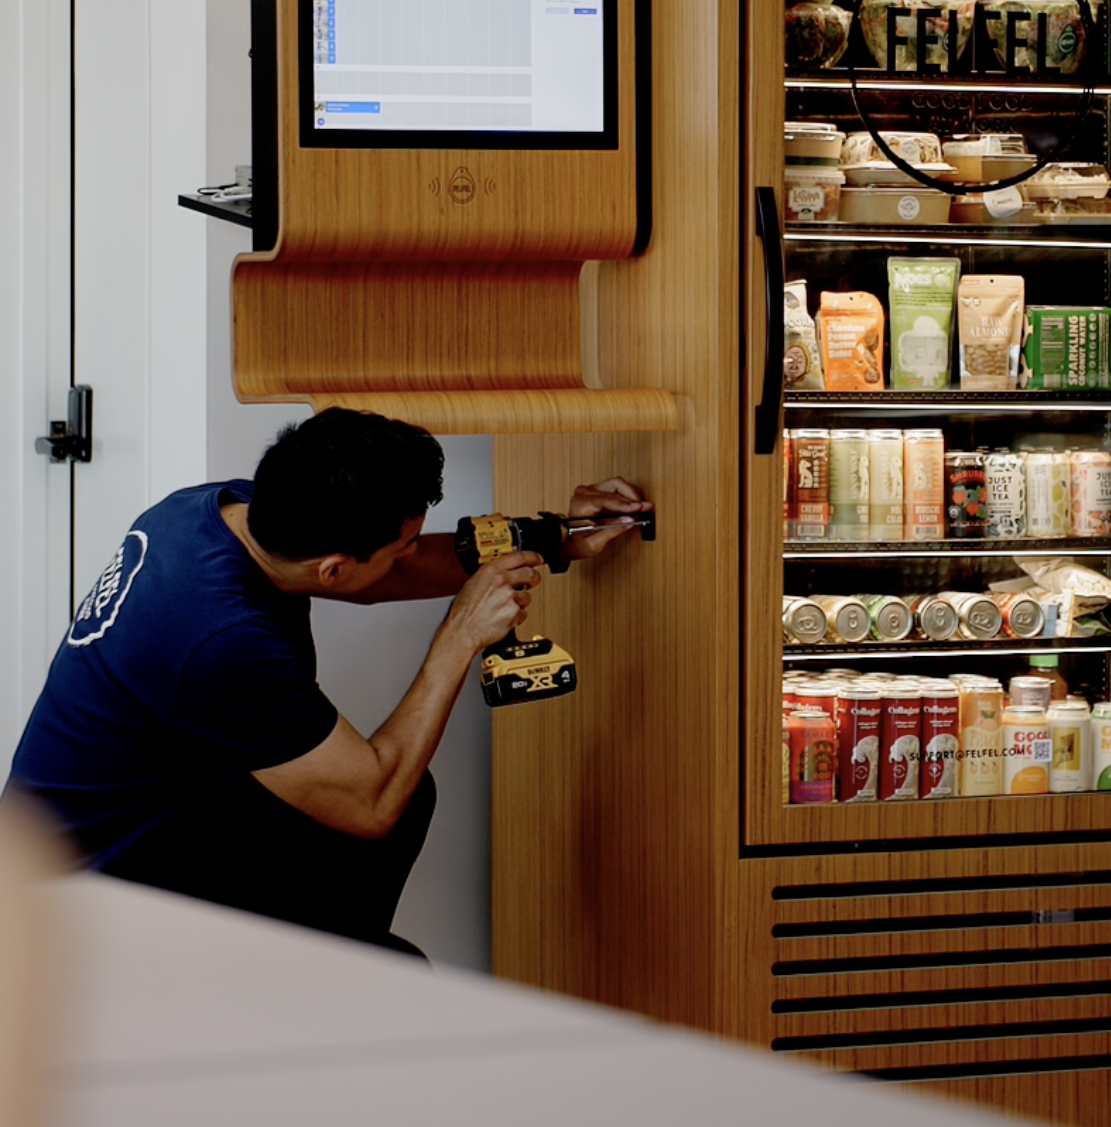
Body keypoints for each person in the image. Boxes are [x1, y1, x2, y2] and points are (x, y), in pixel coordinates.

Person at [4, 408, 649, 954]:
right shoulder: (221, 639)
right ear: (335, 568)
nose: (408, 553)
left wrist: (558, 538)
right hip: (86, 925)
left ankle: (319, 990)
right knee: (387, 837)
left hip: (150, 837)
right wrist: (459, 635)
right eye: (402, 543)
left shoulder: (217, 513)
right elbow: (369, 804)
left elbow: (387, 571)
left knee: (403, 802)